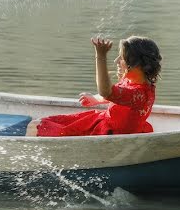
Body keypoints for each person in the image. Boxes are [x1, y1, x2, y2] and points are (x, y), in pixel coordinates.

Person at [25, 36, 161, 137]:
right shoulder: (137, 84)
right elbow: (117, 97)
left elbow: (107, 91)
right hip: (103, 122)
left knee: (35, 127)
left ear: (136, 65)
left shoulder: (139, 95)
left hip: (107, 134)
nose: (116, 61)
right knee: (41, 123)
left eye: (122, 58)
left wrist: (100, 56)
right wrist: (96, 99)